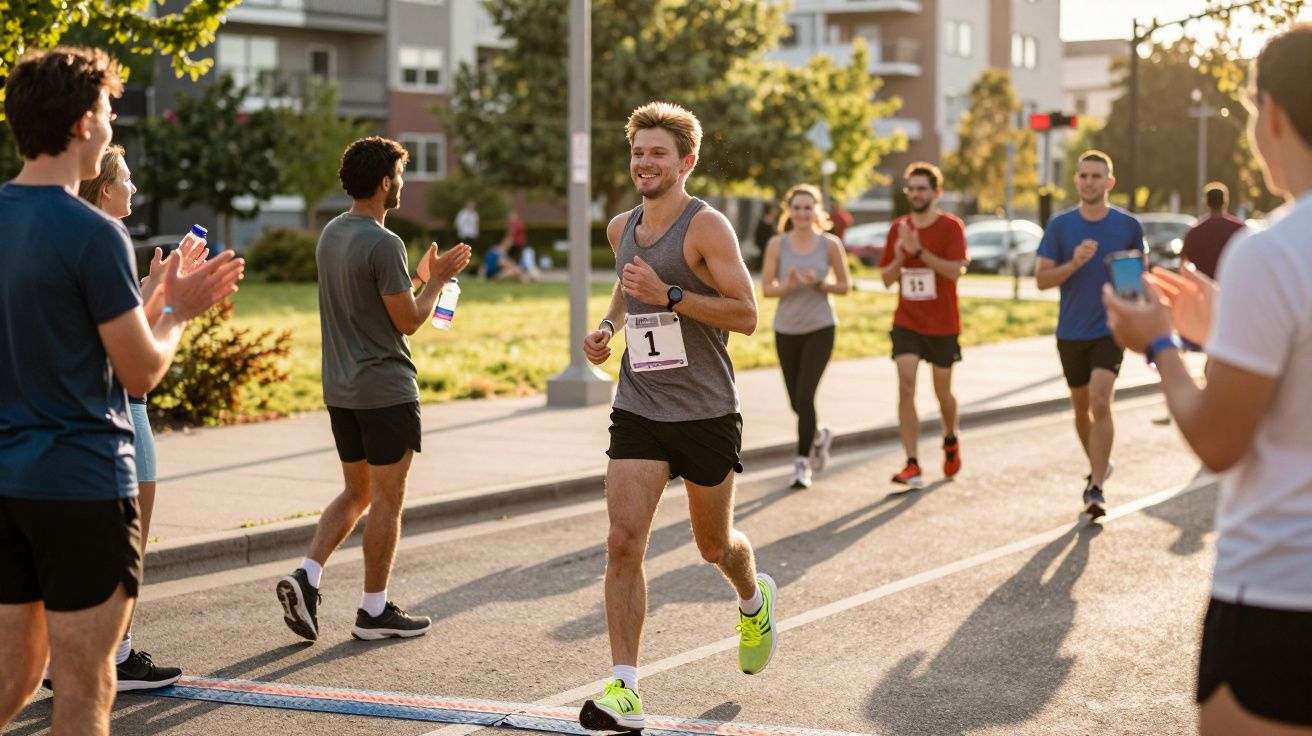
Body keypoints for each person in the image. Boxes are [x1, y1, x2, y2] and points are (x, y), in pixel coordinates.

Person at [0, 47, 244, 735]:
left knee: (14, 678)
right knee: (83, 690)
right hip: (82, 485)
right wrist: (174, 312)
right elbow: (139, 372)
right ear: (83, 123)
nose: (110, 128)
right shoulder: (95, 232)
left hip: (6, 482)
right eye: (107, 112)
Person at [1103, 25, 1312, 735]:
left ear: (1273, 113)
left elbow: (1218, 442)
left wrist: (1160, 341)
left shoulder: (1274, 252)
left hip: (1282, 597)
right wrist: (1227, 327)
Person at [579, 101, 773, 733]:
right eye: (638, 152)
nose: (645, 162)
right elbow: (626, 283)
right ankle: (625, 688)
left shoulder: (706, 228)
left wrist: (671, 297)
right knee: (622, 541)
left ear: (686, 162)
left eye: (658, 153)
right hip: (640, 403)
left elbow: (746, 315)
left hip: (706, 411)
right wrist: (609, 325)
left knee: (714, 544)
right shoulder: (620, 227)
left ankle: (752, 598)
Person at [275, 137, 470, 643]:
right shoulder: (384, 242)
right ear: (386, 182)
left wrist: (422, 274)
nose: (402, 183)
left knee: (356, 491)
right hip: (385, 390)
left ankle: (306, 576)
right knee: (387, 501)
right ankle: (374, 611)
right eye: (400, 175)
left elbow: (373, 295)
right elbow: (406, 320)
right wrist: (438, 280)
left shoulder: (333, 234)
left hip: (341, 390)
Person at [76, 144, 210, 690]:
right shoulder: (108, 238)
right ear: (105, 188)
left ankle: (79, 657)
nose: (133, 187)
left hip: (92, 409)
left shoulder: (81, 239)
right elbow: (133, 351)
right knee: (130, 544)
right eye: (126, 178)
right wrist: (174, 304)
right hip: (126, 409)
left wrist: (154, 289)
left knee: (96, 545)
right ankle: (118, 655)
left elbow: (112, 322)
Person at [1034, 150, 1145, 519]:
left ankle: (1095, 487)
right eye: (1083, 176)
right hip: (1070, 330)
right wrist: (1075, 262)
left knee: (1100, 401)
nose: (1088, 182)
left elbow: (1139, 278)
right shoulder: (1060, 226)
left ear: (1109, 182)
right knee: (1081, 407)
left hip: (1110, 330)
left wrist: (1135, 308)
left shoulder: (1128, 226)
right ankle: (1100, 462)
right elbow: (1042, 279)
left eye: (1096, 176)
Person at [877, 162, 968, 488]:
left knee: (943, 393)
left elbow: (955, 271)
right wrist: (903, 255)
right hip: (907, 322)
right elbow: (886, 279)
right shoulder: (897, 228)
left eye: (921, 189)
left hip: (943, 324)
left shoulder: (951, 227)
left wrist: (920, 251)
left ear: (935, 193)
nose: (915, 194)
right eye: (911, 188)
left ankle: (950, 436)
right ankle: (912, 462)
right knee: (906, 385)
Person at [761, 184, 851, 489]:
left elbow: (845, 286)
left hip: (820, 326)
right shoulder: (777, 244)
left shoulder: (829, 244)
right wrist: (786, 287)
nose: (802, 213)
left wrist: (820, 285)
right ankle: (819, 435)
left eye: (807, 207)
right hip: (786, 328)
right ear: (791, 211)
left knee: (805, 395)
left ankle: (802, 464)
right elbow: (767, 289)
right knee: (795, 401)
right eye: (797, 208)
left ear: (817, 211)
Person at [1181, 182, 1246, 280]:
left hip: (1204, 290)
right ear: (1225, 202)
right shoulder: (1240, 230)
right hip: (1232, 286)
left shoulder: (1194, 233)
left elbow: (1184, 265)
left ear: (1205, 203)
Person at [752, 202, 779, 271]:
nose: (776, 211)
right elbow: (758, 233)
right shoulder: (763, 220)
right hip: (763, 243)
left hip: (772, 243)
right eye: (774, 209)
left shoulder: (775, 221)